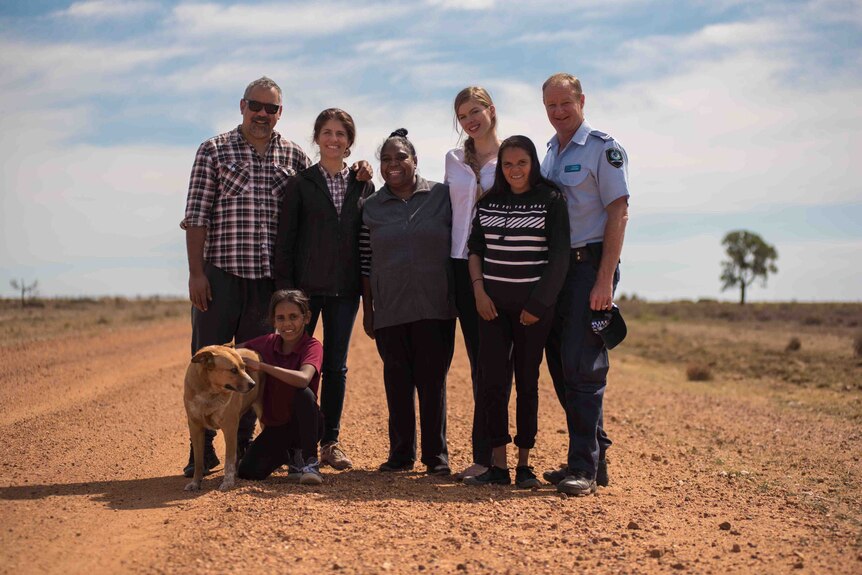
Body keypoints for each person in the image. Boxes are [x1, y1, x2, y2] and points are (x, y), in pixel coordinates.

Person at [179, 76, 311, 477]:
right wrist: (196, 273)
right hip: (219, 277)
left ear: (279, 113)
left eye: (271, 108)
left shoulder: (294, 156)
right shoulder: (214, 150)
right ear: (242, 106)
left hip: (267, 284)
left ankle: (245, 443)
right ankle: (200, 450)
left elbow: (307, 217)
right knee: (207, 363)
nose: (263, 114)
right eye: (256, 106)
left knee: (250, 367)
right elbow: (197, 216)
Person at [540, 73, 630, 496]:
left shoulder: (603, 149)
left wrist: (604, 279)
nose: (558, 112)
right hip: (557, 270)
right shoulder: (549, 152)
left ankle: (583, 468)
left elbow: (618, 213)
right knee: (559, 364)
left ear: (581, 100)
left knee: (583, 367)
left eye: (565, 104)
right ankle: (595, 454)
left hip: (589, 266)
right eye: (551, 106)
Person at [462, 136, 570, 488]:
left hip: (533, 312)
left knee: (527, 382)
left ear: (533, 163)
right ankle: (498, 465)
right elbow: (475, 248)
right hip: (491, 308)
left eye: (521, 163)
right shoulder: (489, 201)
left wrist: (538, 305)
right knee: (492, 383)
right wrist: (478, 291)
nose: (515, 170)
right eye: (508, 164)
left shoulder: (550, 200)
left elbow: (558, 257)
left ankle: (524, 465)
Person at [274, 108, 375, 471]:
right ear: (317, 138)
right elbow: (285, 242)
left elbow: (367, 241)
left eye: (341, 134)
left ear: (349, 142)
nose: (334, 139)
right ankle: (296, 444)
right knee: (299, 365)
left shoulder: (364, 184)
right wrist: (286, 295)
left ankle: (330, 440)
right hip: (305, 293)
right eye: (327, 133)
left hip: (345, 291)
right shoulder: (301, 184)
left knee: (336, 367)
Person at [360, 129, 456, 476]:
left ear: (415, 160)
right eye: (385, 158)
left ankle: (436, 457)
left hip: (435, 306)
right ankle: (400, 455)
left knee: (433, 384)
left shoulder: (442, 196)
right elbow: (365, 262)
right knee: (397, 385)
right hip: (390, 308)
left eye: (400, 156)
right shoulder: (370, 207)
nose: (393, 164)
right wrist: (368, 309)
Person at [444, 86, 504, 481]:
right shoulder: (453, 160)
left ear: (491, 110)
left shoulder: (515, 155)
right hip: (462, 268)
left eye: (476, 111)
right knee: (480, 363)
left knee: (501, 365)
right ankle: (485, 457)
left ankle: (508, 457)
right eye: (463, 115)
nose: (470, 120)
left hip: (504, 269)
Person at [237, 289, 325, 485]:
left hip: (307, 424)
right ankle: (290, 455)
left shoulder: (312, 346)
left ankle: (310, 462)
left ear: (307, 317)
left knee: (304, 394)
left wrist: (262, 367)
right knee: (247, 471)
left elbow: (303, 378)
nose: (287, 324)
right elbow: (237, 350)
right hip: (277, 426)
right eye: (281, 318)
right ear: (273, 321)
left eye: (293, 317)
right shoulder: (267, 342)